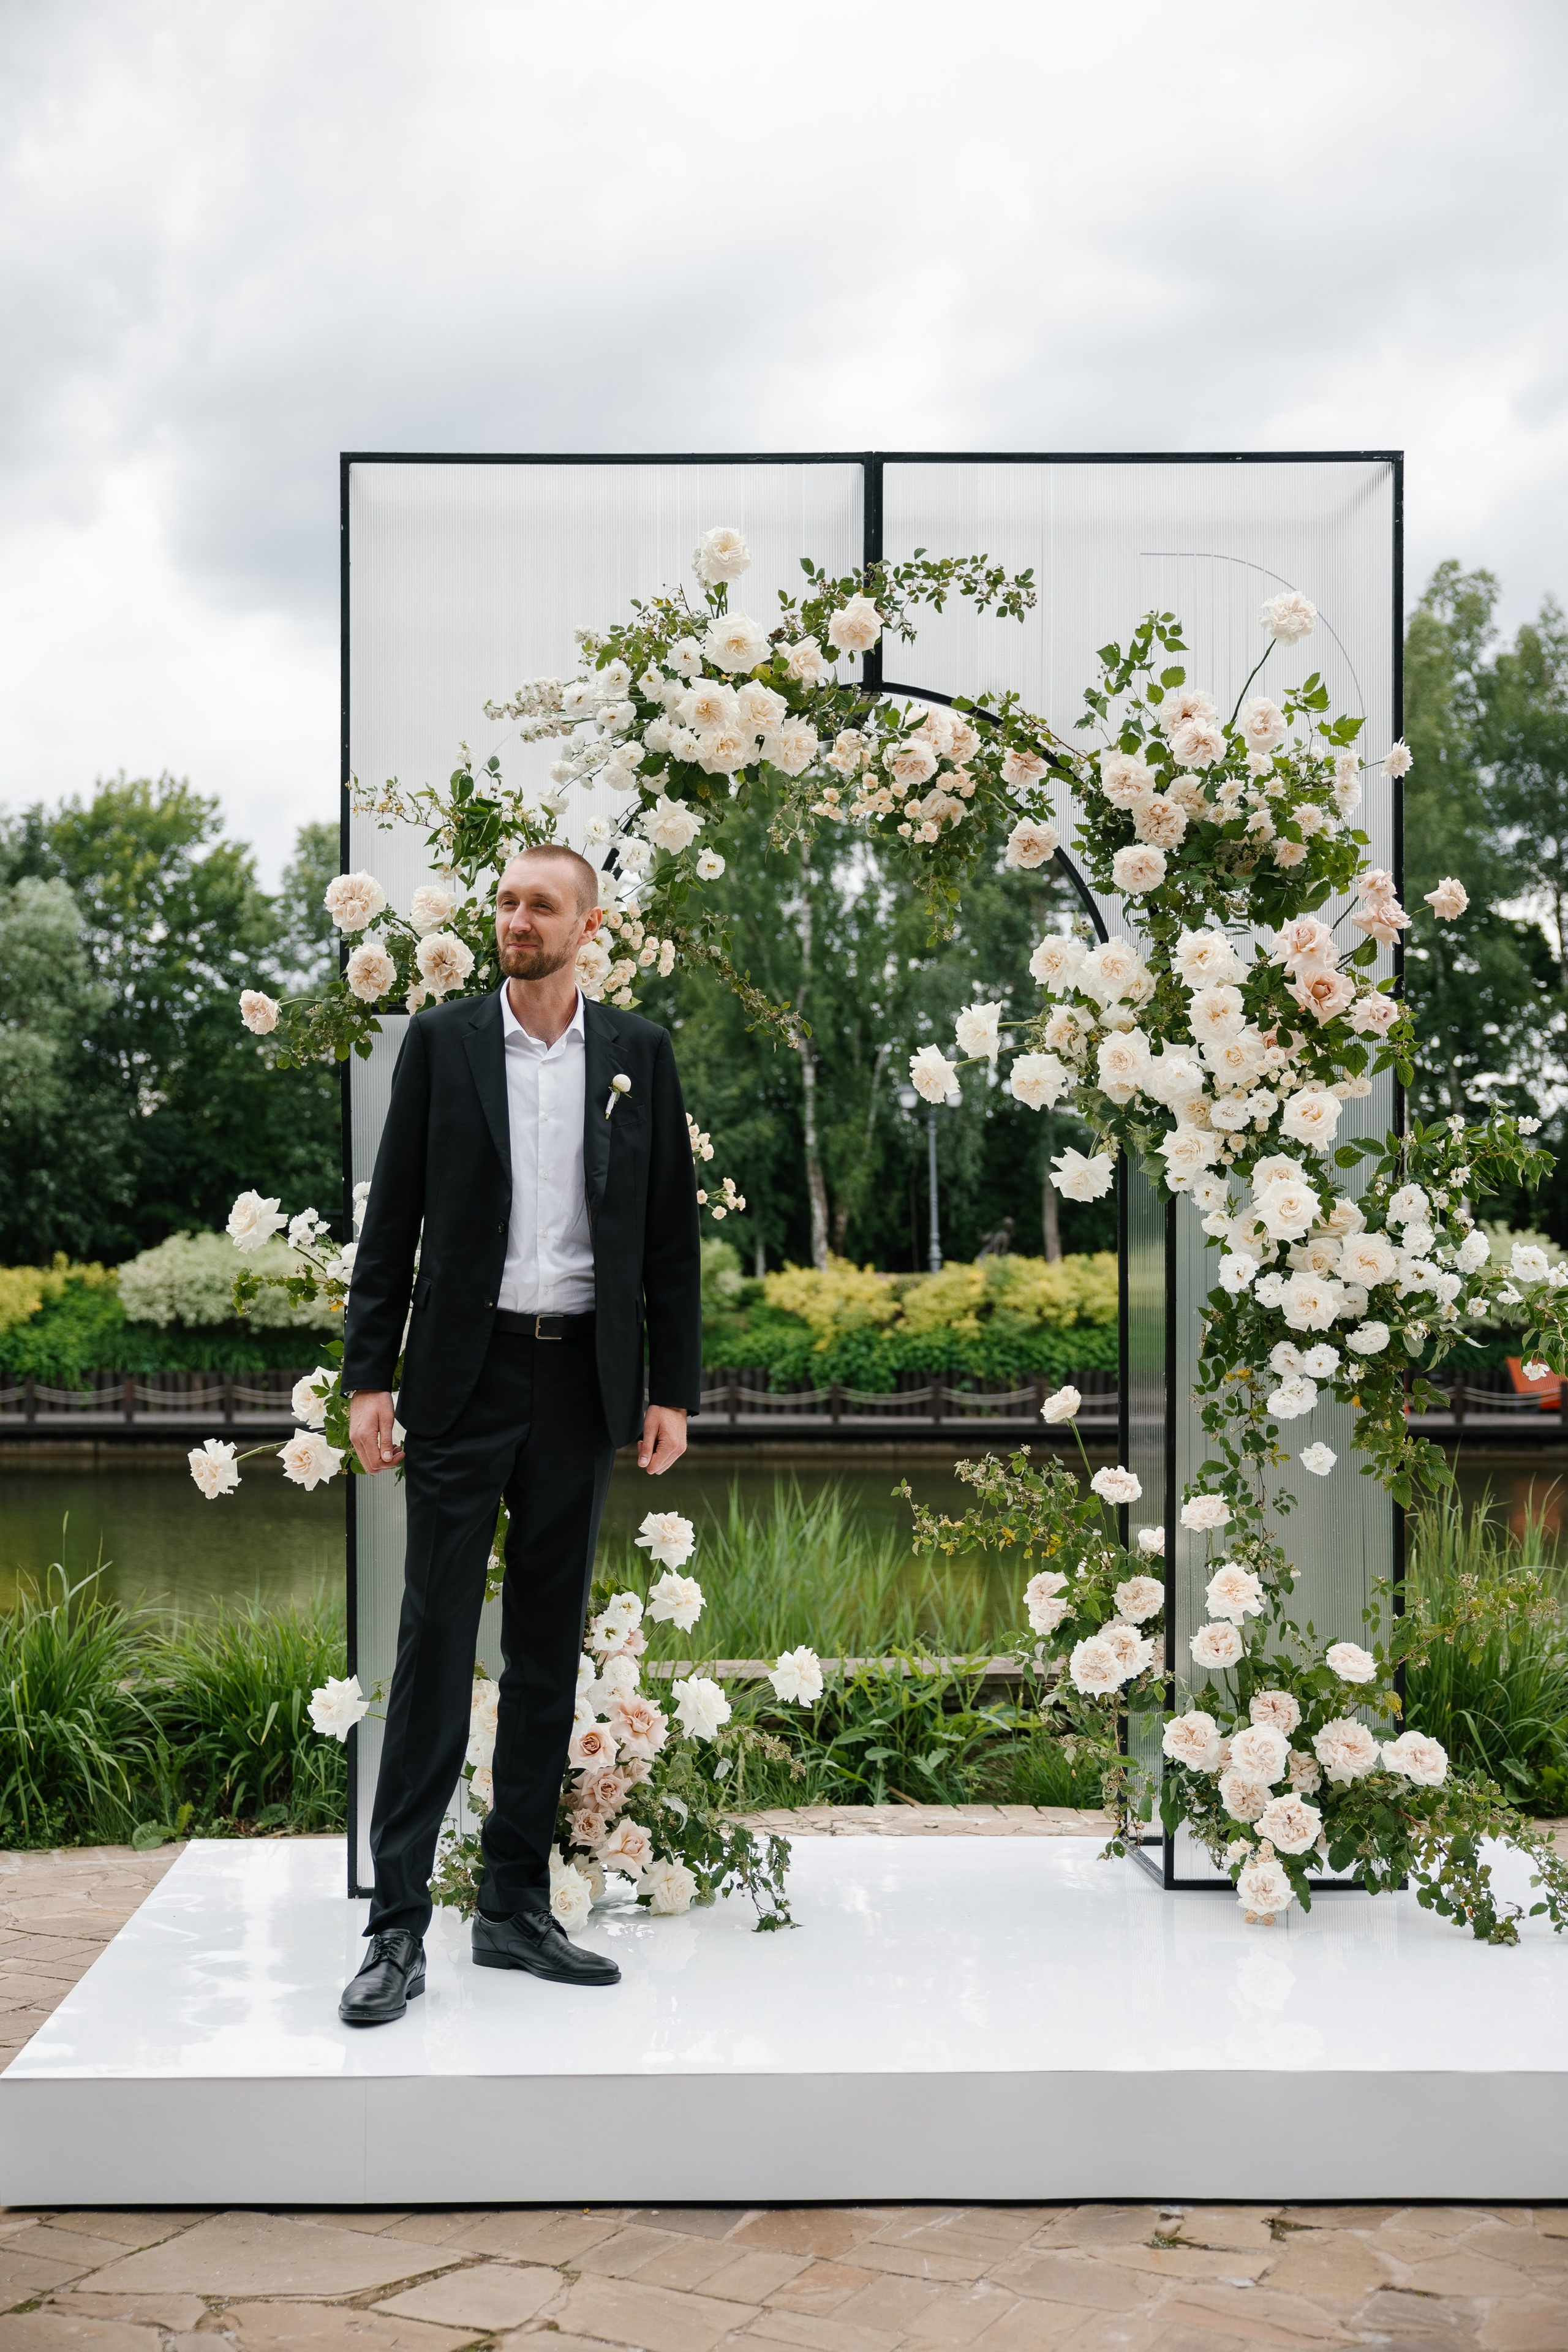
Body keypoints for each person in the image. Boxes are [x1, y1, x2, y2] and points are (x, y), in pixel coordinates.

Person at [336, 845, 701, 2026]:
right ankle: (396, 1930)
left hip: (582, 1382)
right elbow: (394, 1217)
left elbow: (669, 1239)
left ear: (588, 927)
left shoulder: (638, 1054)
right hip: (465, 1375)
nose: (516, 920)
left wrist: (671, 1389)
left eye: (541, 905)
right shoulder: (443, 1043)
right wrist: (368, 1376)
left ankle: (512, 1909)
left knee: (546, 1655)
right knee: (436, 1643)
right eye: (505, 903)